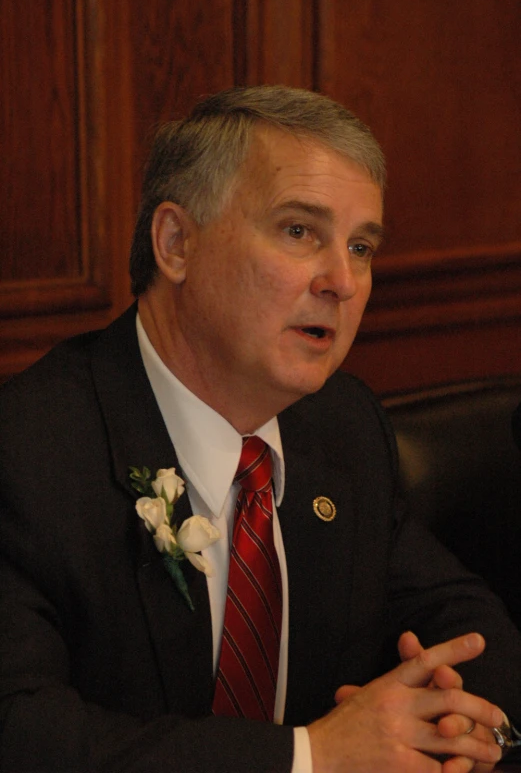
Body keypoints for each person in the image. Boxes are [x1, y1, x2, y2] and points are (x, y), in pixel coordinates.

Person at [1, 85, 520, 773]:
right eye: (299, 231)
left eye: (361, 246)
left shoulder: (341, 426)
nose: (341, 279)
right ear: (176, 243)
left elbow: (464, 620)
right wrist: (310, 757)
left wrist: (452, 723)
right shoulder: (27, 451)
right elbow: (22, 732)